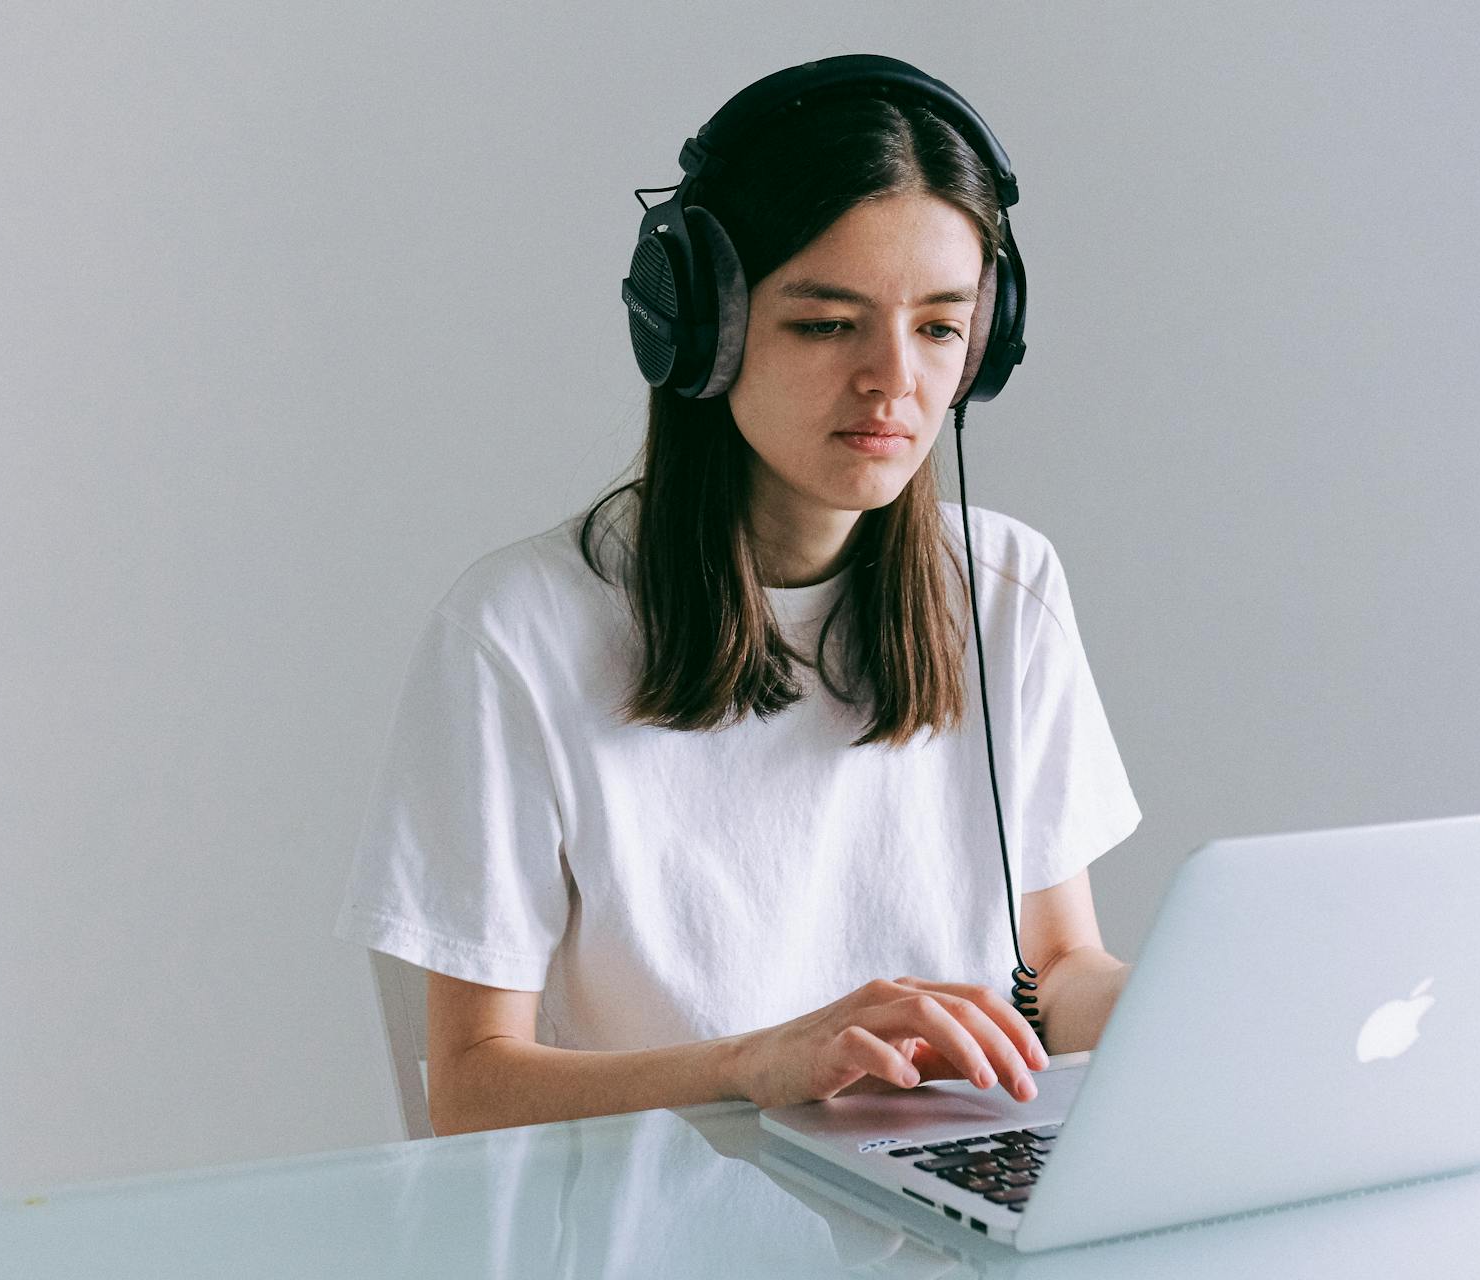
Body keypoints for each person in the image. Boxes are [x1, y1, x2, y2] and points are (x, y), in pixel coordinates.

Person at [336, 63, 1142, 1137]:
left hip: (937, 1220)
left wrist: (1202, 1013)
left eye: (941, 327)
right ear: (702, 329)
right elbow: (475, 1087)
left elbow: (1054, 966)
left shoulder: (1005, 588)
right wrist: (759, 1060)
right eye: (826, 324)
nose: (894, 380)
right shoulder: (517, 634)